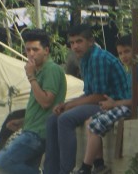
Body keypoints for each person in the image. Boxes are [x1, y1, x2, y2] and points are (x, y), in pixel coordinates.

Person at [43, 24, 130, 174]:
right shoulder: (84, 59)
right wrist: (67, 104)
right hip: (99, 101)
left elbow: (99, 96)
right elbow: (89, 93)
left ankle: (66, 170)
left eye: (79, 41)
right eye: (72, 43)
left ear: (90, 41)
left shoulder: (97, 58)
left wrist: (71, 106)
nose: (75, 46)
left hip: (112, 103)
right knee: (53, 118)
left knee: (65, 119)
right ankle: (50, 170)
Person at [76, 34, 138, 174]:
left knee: (95, 125)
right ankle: (99, 164)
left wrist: (114, 104)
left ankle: (85, 168)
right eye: (120, 53)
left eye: (127, 51)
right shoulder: (130, 70)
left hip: (135, 109)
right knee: (90, 121)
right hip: (125, 106)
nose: (123, 56)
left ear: (137, 50)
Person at [0, 29, 67, 174]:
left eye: (35, 49)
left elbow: (46, 101)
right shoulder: (39, 71)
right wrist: (22, 121)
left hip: (38, 134)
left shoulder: (51, 69)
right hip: (31, 130)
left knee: (0, 163)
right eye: (28, 50)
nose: (31, 53)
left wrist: (31, 77)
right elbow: (41, 108)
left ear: (46, 50)